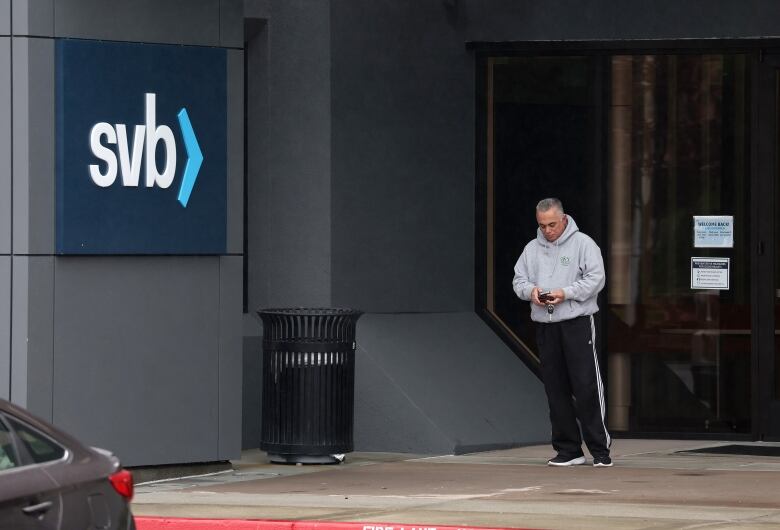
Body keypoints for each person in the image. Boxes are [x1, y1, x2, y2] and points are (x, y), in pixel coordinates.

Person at [512, 198, 612, 467]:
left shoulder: (584, 244)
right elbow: (518, 279)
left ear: (564, 218)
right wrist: (531, 292)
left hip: (577, 322)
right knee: (555, 388)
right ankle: (569, 449)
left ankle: (600, 450)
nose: (547, 230)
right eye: (542, 225)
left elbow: (596, 280)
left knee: (586, 384)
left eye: (552, 224)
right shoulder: (531, 249)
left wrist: (564, 293)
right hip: (545, 324)